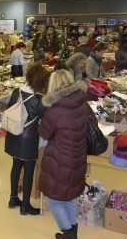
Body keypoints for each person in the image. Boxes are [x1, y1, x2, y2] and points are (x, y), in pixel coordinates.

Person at [38, 70, 89, 239]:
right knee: (69, 196)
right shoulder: (82, 101)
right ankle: (73, 231)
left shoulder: (56, 110)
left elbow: (44, 133)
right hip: (78, 157)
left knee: (54, 200)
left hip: (60, 160)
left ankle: (68, 234)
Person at [5, 63, 50, 215]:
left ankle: (13, 198)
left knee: (16, 166)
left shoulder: (16, 91)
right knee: (29, 171)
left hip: (13, 135)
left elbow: (9, 109)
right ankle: (25, 205)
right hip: (28, 139)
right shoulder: (40, 99)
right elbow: (46, 120)